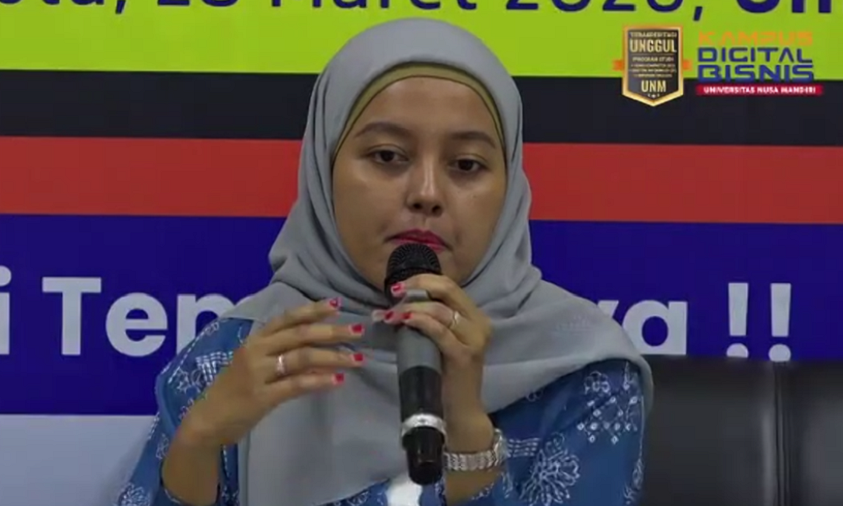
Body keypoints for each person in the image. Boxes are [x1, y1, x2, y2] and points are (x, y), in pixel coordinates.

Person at [114, 17, 653, 506]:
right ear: (325, 168)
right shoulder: (239, 357)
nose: (426, 193)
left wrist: (468, 433)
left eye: (466, 165)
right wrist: (198, 444)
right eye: (388, 156)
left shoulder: (583, 376)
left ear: (510, 189)